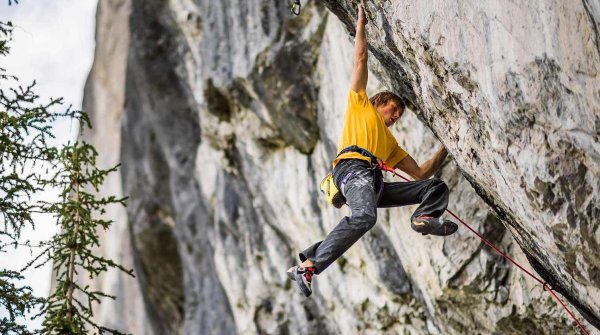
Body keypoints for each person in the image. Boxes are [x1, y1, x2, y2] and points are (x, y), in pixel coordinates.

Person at [287, 3, 458, 298]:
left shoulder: (390, 145)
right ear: (378, 102)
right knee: (365, 217)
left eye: (398, 116)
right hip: (353, 169)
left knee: (434, 186)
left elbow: (420, 172)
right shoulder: (360, 105)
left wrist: (449, 146)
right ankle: (310, 265)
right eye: (392, 110)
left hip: (373, 182)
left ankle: (424, 217)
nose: (394, 117)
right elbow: (360, 60)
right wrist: (361, 25)